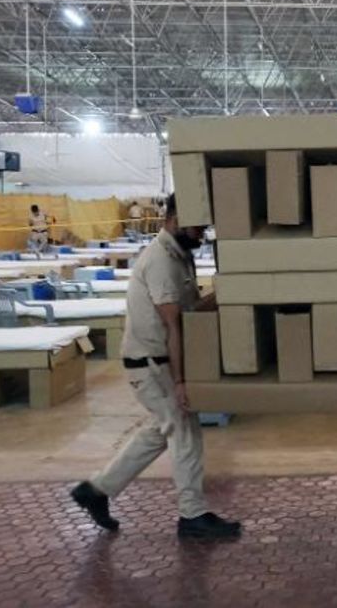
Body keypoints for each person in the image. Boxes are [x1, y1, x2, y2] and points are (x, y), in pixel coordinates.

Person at [70, 194, 242, 539]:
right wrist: (180, 381)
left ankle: (97, 490)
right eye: (197, 227)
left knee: (158, 431)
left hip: (158, 361)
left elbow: (190, 313)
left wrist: (227, 292)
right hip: (152, 364)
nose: (201, 235)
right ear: (175, 218)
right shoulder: (161, 261)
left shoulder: (180, 256)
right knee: (184, 431)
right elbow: (173, 325)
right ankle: (191, 516)